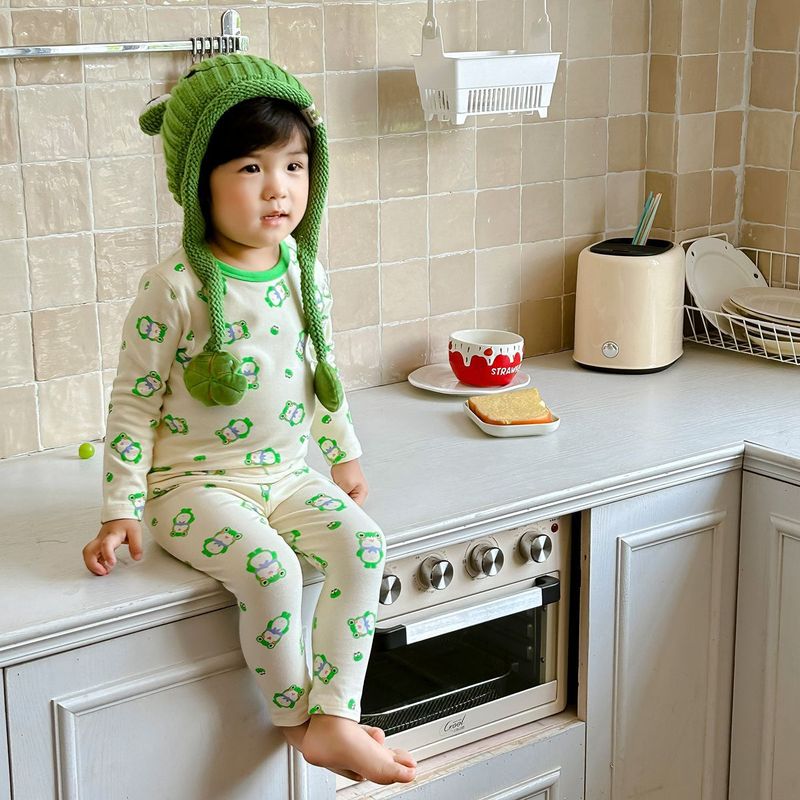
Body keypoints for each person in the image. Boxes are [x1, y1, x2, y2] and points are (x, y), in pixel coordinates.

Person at [81, 53, 416, 786]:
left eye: (294, 167)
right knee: (272, 571)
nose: (278, 189)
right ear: (200, 179)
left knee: (364, 546)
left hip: (286, 476)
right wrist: (120, 508)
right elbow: (133, 403)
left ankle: (337, 715)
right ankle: (300, 723)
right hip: (192, 489)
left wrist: (343, 452)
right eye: (251, 168)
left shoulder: (302, 268)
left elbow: (320, 368)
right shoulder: (173, 287)